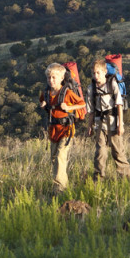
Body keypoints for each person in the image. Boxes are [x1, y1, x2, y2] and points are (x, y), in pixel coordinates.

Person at [40, 63, 86, 194]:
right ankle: (63, 187)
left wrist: (69, 107)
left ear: (61, 78)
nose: (51, 80)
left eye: (54, 77)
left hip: (67, 130)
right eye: (49, 78)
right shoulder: (46, 93)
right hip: (53, 130)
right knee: (54, 159)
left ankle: (59, 190)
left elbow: (82, 103)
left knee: (60, 156)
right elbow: (42, 102)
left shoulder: (67, 93)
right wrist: (43, 105)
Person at [86, 59, 130, 180]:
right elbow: (91, 111)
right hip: (99, 124)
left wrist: (120, 124)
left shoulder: (112, 84)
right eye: (94, 73)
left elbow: (119, 105)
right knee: (100, 153)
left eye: (98, 73)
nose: (96, 76)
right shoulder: (91, 89)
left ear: (105, 72)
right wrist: (89, 126)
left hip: (113, 124)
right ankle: (98, 179)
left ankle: (126, 178)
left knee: (118, 153)